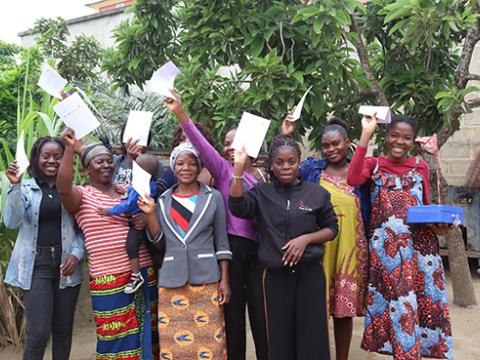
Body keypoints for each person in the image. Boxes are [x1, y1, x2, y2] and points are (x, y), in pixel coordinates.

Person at [164, 92, 268, 360]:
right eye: (228, 144)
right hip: (231, 250)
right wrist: (181, 114)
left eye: (238, 143)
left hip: (257, 254)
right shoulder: (222, 169)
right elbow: (200, 144)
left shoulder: (263, 177)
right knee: (233, 317)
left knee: (261, 314)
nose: (232, 148)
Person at [347, 114, 453, 359]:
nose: (399, 142)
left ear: (412, 140)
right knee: (398, 309)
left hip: (419, 252)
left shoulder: (420, 167)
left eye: (406, 138)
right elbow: (352, 179)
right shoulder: (373, 164)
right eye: (394, 135)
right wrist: (365, 134)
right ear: (386, 137)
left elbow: (426, 206)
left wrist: (439, 228)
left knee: (417, 310)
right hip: (388, 254)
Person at [229, 134, 339, 360]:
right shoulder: (261, 193)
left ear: (300, 162)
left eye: (292, 161)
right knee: (278, 337)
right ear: (271, 165)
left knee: (312, 337)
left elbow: (331, 228)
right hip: (275, 277)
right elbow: (238, 206)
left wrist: (305, 239)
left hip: (310, 274)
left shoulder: (316, 193)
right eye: (279, 162)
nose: (286, 167)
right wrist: (238, 171)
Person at [56, 129, 159, 359]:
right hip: (107, 277)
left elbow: (152, 207)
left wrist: (146, 216)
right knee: (114, 339)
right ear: (86, 169)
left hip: (142, 271)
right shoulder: (81, 195)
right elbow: (62, 187)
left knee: (147, 336)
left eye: (108, 161)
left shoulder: (126, 191)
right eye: (98, 162)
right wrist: (70, 149)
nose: (105, 165)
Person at [282, 115, 369, 360]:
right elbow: (285, 168)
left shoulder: (360, 173)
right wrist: (287, 135)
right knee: (315, 310)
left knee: (344, 312)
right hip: (319, 249)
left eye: (336, 144)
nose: (331, 149)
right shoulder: (312, 169)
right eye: (326, 145)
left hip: (350, 251)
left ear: (347, 143)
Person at [139, 143, 232, 359]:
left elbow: (222, 242)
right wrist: (150, 215)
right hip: (172, 281)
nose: (186, 168)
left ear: (200, 167)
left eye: (192, 163)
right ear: (173, 168)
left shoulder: (213, 197)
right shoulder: (162, 201)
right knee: (174, 346)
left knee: (211, 341)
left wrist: (224, 279)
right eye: (180, 163)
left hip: (207, 280)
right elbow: (159, 243)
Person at [3, 136, 84, 360]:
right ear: (36, 159)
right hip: (35, 266)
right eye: (46, 156)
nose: (52, 161)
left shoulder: (72, 191)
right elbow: (11, 221)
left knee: (63, 330)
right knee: (38, 334)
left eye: (58, 157)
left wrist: (76, 256)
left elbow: (82, 231)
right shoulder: (26, 188)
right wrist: (15, 186)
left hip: (66, 266)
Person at [97, 153, 159, 294]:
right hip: (140, 219)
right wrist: (124, 191)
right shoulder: (147, 184)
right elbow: (132, 195)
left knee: (131, 246)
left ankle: (136, 275)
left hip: (137, 222)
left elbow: (129, 206)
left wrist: (110, 211)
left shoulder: (140, 187)